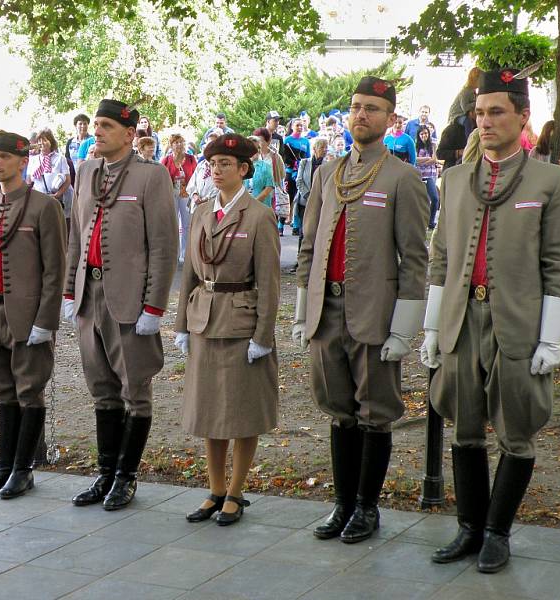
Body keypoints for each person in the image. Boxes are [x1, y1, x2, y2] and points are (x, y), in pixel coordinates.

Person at [422, 67, 560, 574]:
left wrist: (551, 339)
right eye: (479, 113)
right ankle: (469, 528)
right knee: (464, 427)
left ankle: (497, 531)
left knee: (517, 430)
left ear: (522, 116)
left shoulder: (553, 181)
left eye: (496, 112)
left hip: (518, 322)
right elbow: (441, 260)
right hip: (462, 319)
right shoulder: (453, 180)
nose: (485, 122)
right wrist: (430, 327)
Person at [294, 76, 429, 545]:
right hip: (326, 311)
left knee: (374, 412)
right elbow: (309, 246)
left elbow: (415, 259)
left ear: (390, 118)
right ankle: (343, 503)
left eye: (372, 108)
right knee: (338, 410)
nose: (361, 115)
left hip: (374, 314)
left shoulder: (403, 177)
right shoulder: (327, 172)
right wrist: (300, 311)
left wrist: (404, 330)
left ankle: (367, 508)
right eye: (355, 106)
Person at [65, 99, 178, 511]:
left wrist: (155, 307)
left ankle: (127, 477)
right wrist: (67, 290)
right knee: (102, 391)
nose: (97, 131)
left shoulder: (152, 176)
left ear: (129, 134)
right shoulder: (86, 170)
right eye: (95, 124)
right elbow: (76, 236)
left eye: (106, 125)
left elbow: (165, 246)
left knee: (136, 391)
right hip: (88, 296)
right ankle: (105, 473)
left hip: (130, 301)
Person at [174, 133, 280, 525]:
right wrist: (181, 323)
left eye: (225, 165)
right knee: (209, 411)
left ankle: (236, 491)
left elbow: (269, 282)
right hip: (204, 318)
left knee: (241, 410)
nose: (217, 171)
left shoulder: (258, 215)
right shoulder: (201, 211)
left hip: (240, 322)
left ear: (243, 170)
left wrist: (263, 336)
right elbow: (189, 273)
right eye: (213, 164)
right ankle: (215, 489)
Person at [0, 130, 67, 499]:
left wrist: (46, 320)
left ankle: (24, 470)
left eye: (5, 157)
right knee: (2, 388)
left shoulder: (44, 207)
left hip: (27, 315)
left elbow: (56, 269)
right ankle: (4, 466)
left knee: (29, 389)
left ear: (23, 161)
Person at [161, 133, 196, 262]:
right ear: (171, 145)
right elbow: (162, 178)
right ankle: (173, 252)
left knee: (186, 224)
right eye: (176, 142)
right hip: (171, 194)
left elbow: (195, 177)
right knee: (173, 223)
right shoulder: (166, 160)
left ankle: (184, 253)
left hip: (186, 193)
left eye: (181, 142)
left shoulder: (191, 159)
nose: (179, 145)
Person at [295, 137, 328, 252]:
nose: (325, 150)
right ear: (314, 149)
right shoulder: (304, 162)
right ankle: (300, 259)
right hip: (304, 202)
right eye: (322, 147)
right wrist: (308, 196)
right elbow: (299, 181)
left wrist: (317, 198)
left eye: (326, 147)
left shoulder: (328, 165)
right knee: (303, 232)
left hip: (320, 203)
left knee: (317, 232)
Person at [27, 128, 72, 203]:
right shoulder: (33, 160)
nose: (41, 143)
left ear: (51, 142)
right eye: (39, 141)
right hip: (39, 199)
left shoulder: (60, 158)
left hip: (57, 199)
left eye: (44, 140)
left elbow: (67, 180)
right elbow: (29, 181)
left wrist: (57, 195)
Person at [283, 119, 311, 235]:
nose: (300, 127)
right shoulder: (288, 140)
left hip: (301, 171)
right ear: (292, 127)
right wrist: (292, 164)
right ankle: (286, 217)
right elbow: (284, 157)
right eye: (297, 125)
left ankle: (295, 220)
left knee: (298, 197)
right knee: (289, 194)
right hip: (290, 171)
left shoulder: (306, 141)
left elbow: (308, 157)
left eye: (301, 125)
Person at [438, 102, 477, 171]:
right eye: (478, 111)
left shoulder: (481, 130)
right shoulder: (452, 130)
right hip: (452, 171)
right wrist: (458, 152)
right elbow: (440, 153)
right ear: (470, 112)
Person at [415, 126, 440, 229]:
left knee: (434, 198)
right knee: (420, 200)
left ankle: (431, 221)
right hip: (419, 176)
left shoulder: (433, 145)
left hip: (430, 175)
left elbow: (434, 159)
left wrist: (423, 161)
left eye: (425, 133)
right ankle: (420, 222)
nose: (424, 136)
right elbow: (415, 160)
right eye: (421, 134)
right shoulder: (416, 146)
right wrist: (428, 158)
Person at [245, 135, 275, 208]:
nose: (257, 150)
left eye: (258, 148)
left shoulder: (266, 166)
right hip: (242, 206)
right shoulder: (240, 166)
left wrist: (253, 204)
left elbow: (268, 188)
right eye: (253, 148)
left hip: (261, 207)